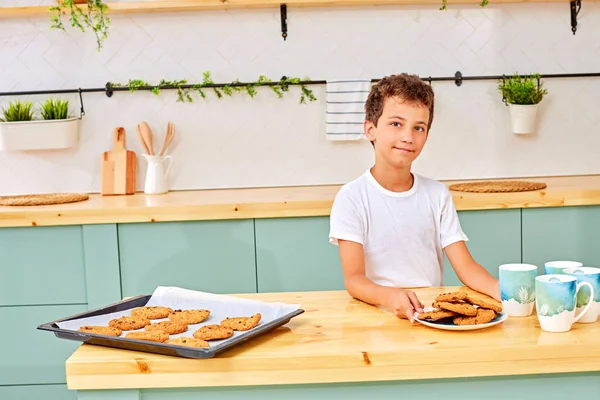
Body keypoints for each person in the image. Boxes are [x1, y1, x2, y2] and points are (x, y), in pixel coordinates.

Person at [328, 73, 500, 323]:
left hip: (430, 316)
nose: (408, 137)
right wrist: (391, 297)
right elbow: (354, 279)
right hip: (377, 314)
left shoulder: (437, 195)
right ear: (370, 129)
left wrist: (500, 290)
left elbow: (466, 268)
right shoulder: (352, 198)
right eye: (396, 124)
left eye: (418, 127)